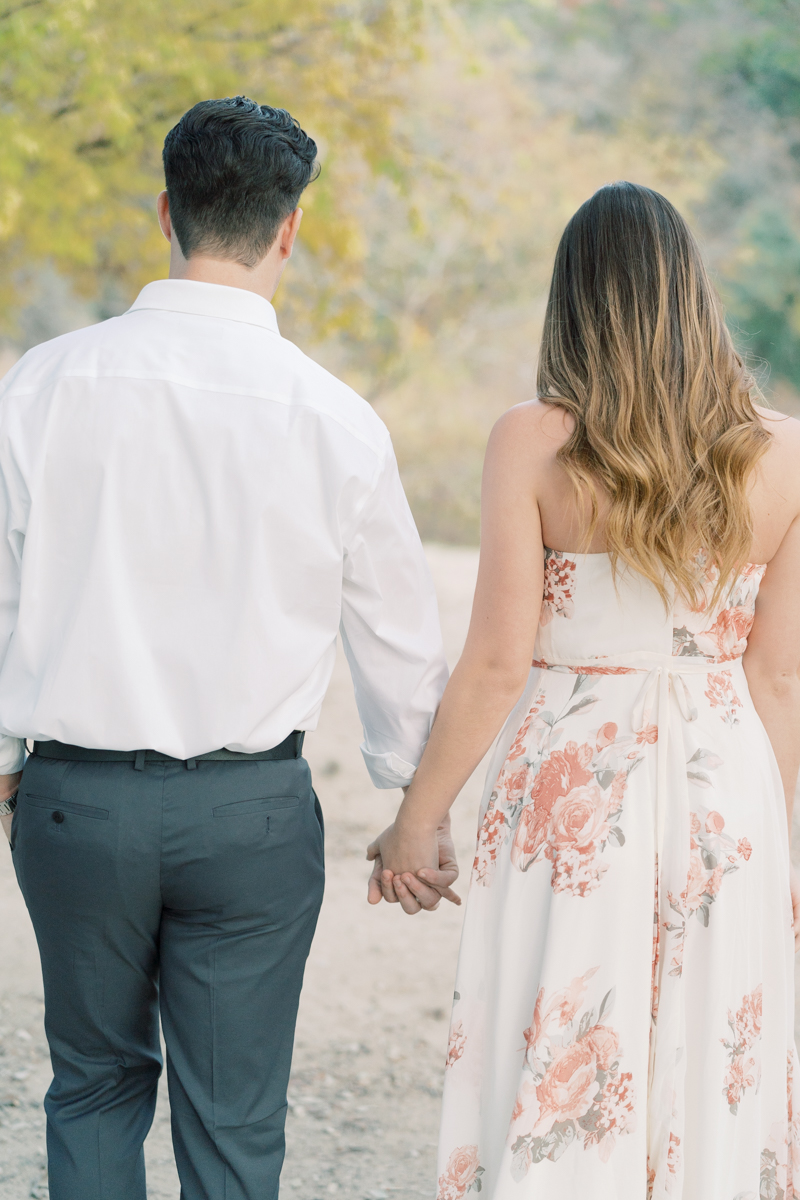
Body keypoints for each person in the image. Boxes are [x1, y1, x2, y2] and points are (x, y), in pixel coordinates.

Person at [0, 95, 457, 1200]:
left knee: (94, 1088)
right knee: (236, 1123)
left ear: (166, 211)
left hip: (75, 804)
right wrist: (414, 812)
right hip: (249, 817)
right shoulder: (336, 418)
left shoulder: (45, 386)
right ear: (290, 228)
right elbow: (398, 640)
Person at [369, 182, 800, 1197]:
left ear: (574, 301)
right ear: (691, 296)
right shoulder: (784, 453)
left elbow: (494, 662)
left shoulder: (531, 440)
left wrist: (414, 820)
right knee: (709, 1052)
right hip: (722, 793)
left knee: (563, 1031)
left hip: (570, 790)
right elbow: (777, 677)